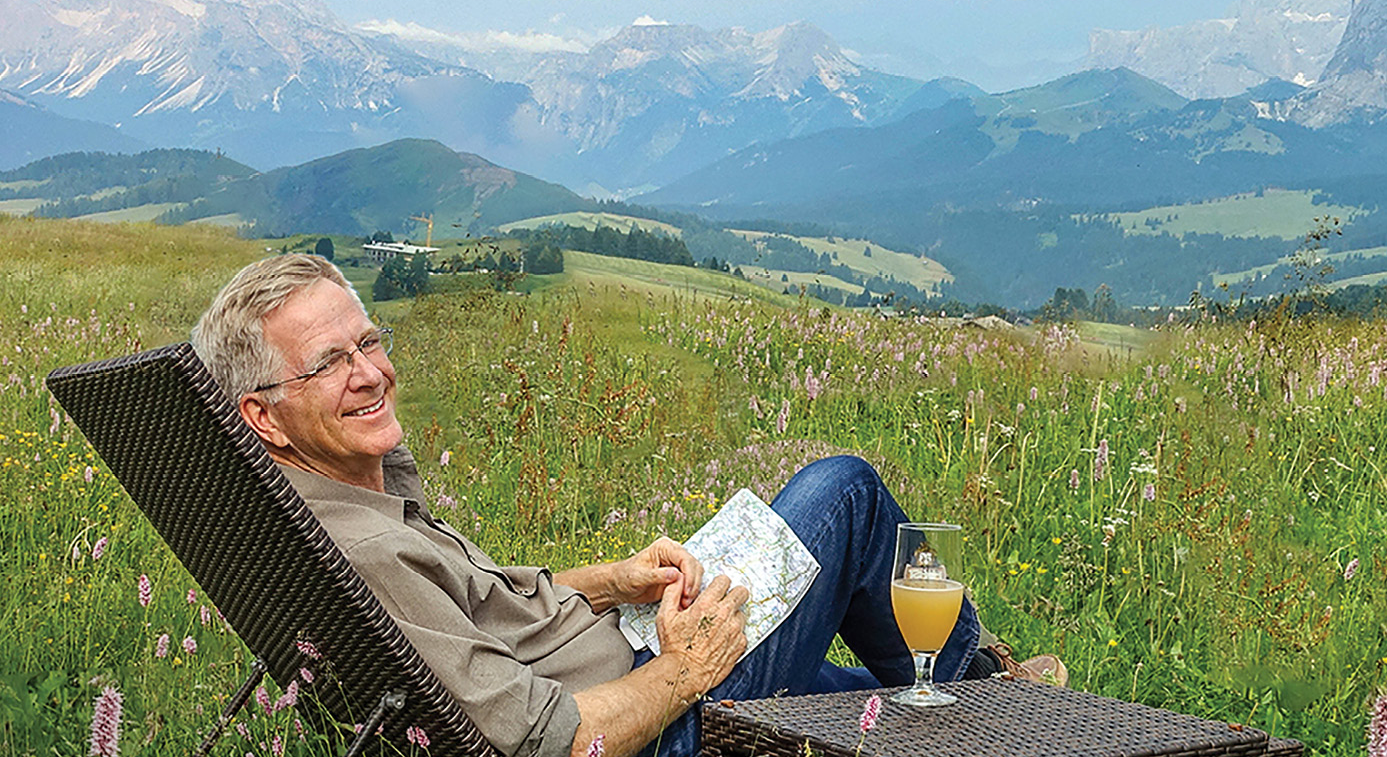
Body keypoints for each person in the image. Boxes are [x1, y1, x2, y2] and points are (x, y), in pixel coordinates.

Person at [191, 254, 1064, 757]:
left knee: (851, 706)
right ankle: (985, 690)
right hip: (653, 726)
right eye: (328, 363)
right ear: (262, 416)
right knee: (843, 494)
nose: (371, 373)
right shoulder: (365, 555)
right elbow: (546, 741)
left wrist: (612, 582)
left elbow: (478, 617)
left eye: (369, 342)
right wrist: (686, 671)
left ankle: (958, 699)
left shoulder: (339, 485)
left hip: (633, 654)